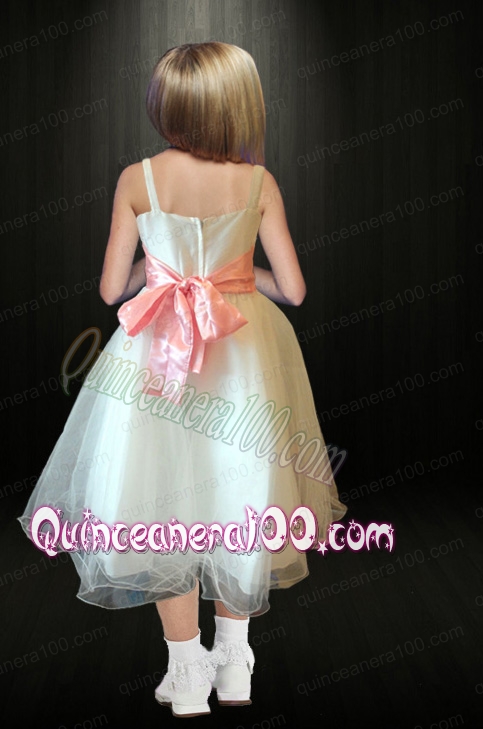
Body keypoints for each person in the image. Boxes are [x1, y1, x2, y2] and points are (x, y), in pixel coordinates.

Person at [18, 41, 348, 718]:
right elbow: (292, 289)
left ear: (165, 106)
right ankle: (236, 667)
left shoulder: (137, 179)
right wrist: (235, 277)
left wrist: (163, 269)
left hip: (154, 349)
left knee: (158, 500)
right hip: (244, 350)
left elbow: (112, 287)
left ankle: (186, 672)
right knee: (238, 494)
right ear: (239, 105)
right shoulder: (259, 183)